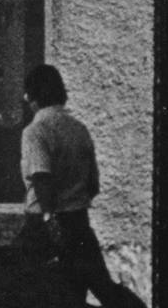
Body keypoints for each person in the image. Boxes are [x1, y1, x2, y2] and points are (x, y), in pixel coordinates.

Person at [18, 64, 147, 308]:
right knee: (96, 287)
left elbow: (42, 180)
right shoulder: (79, 130)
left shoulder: (35, 131)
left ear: (32, 96)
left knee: (22, 289)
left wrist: (50, 221)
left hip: (44, 228)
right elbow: (93, 184)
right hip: (79, 223)